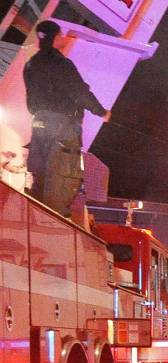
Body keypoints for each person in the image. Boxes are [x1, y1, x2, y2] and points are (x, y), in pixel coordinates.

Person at [22, 20, 110, 216]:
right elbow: (79, 92)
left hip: (38, 123)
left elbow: (31, 98)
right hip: (62, 124)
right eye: (60, 34)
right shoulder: (61, 64)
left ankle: (36, 214)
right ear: (54, 37)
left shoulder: (30, 65)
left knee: (40, 172)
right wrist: (101, 112)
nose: (64, 37)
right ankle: (55, 218)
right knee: (63, 172)